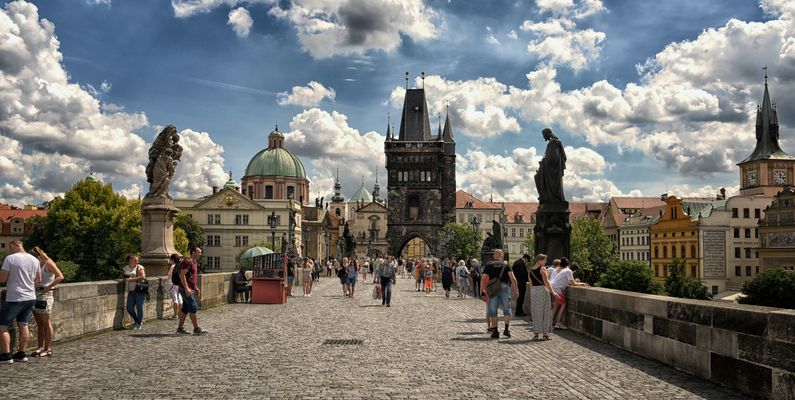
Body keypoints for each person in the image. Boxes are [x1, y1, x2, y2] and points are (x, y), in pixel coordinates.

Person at [0, 240, 41, 363]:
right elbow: (38, 280)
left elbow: (2, 278)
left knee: (2, 326)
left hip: (15, 297)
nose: (10, 250)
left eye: (10, 247)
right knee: (23, 324)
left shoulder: (10, 258)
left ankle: (6, 356)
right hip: (30, 297)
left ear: (14, 246)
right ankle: (21, 354)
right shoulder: (35, 260)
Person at [29, 247, 64, 358]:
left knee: (46, 323)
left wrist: (47, 288)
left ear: (37, 256)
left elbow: (60, 276)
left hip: (45, 296)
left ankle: (47, 349)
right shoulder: (36, 264)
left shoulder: (48, 263)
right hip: (35, 295)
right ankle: (40, 347)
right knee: (39, 323)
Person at [480, 249, 518, 339]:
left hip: (493, 288)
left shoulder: (489, 265)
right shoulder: (506, 264)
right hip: (504, 287)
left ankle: (496, 331)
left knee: (493, 310)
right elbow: (513, 278)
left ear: (494, 255)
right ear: (502, 256)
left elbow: (483, 278)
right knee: (507, 309)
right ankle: (506, 330)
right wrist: (516, 290)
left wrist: (482, 289)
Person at [529, 254, 560, 341]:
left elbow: (530, 283)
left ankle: (536, 334)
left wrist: (531, 293)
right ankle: (545, 335)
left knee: (536, 312)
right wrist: (553, 293)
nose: (545, 262)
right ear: (540, 260)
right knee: (545, 312)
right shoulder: (542, 269)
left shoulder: (530, 270)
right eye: (544, 260)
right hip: (542, 290)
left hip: (534, 291)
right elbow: (546, 282)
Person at [177, 246, 206, 335]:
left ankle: (180, 329)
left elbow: (191, 277)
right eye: (198, 252)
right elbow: (182, 275)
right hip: (185, 289)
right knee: (193, 307)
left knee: (185, 308)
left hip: (190, 289)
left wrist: (195, 287)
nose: (200, 254)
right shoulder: (187, 261)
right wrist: (186, 288)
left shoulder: (194, 262)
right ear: (193, 252)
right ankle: (196, 329)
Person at [550, 261, 588, 329]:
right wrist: (582, 284)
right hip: (557, 288)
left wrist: (575, 281)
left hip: (553, 287)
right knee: (563, 304)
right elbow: (573, 283)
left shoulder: (565, 269)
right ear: (575, 270)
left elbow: (569, 282)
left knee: (556, 304)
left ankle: (550, 322)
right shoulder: (569, 271)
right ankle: (558, 323)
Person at [123, 253, 146, 330]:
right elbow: (125, 278)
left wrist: (132, 279)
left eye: (137, 260)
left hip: (139, 290)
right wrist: (125, 279)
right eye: (135, 260)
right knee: (129, 308)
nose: (137, 262)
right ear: (130, 260)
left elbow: (143, 277)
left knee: (139, 307)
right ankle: (138, 321)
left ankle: (138, 324)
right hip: (131, 290)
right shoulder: (126, 268)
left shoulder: (139, 267)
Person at [166, 253, 183, 319]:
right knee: (180, 299)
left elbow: (169, 276)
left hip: (172, 284)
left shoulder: (173, 266)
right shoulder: (180, 265)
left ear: (173, 260)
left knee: (175, 300)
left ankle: (175, 315)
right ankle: (180, 314)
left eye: (170, 259)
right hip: (179, 284)